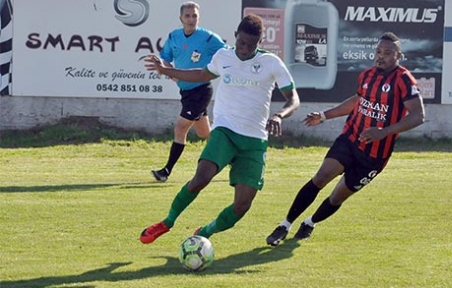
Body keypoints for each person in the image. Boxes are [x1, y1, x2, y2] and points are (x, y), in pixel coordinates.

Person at [139, 13, 300, 244]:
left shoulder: (271, 63)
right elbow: (200, 74)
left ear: (260, 42)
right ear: (235, 36)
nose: (245, 48)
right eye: (242, 42)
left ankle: (204, 233)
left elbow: (293, 99)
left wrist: (279, 115)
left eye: (251, 44)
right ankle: (167, 222)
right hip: (225, 131)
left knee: (242, 205)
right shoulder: (223, 56)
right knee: (202, 177)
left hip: (254, 141)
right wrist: (167, 70)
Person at [266, 32, 425, 246]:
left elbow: (418, 115)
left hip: (374, 156)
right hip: (351, 140)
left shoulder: (404, 79)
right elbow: (358, 101)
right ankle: (284, 225)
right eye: (378, 51)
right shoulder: (367, 75)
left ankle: (310, 223)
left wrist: (384, 131)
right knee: (320, 177)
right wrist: (324, 116)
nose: (381, 56)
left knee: (337, 197)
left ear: (398, 55)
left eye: (388, 53)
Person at [150, 1, 227, 182]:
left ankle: (166, 171)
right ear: (181, 18)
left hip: (201, 90)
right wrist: (173, 76)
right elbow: (164, 60)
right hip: (186, 93)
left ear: (199, 18)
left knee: (180, 128)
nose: (191, 19)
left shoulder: (209, 38)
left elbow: (228, 54)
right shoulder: (174, 36)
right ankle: (233, 157)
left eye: (194, 16)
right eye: (187, 16)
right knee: (204, 133)